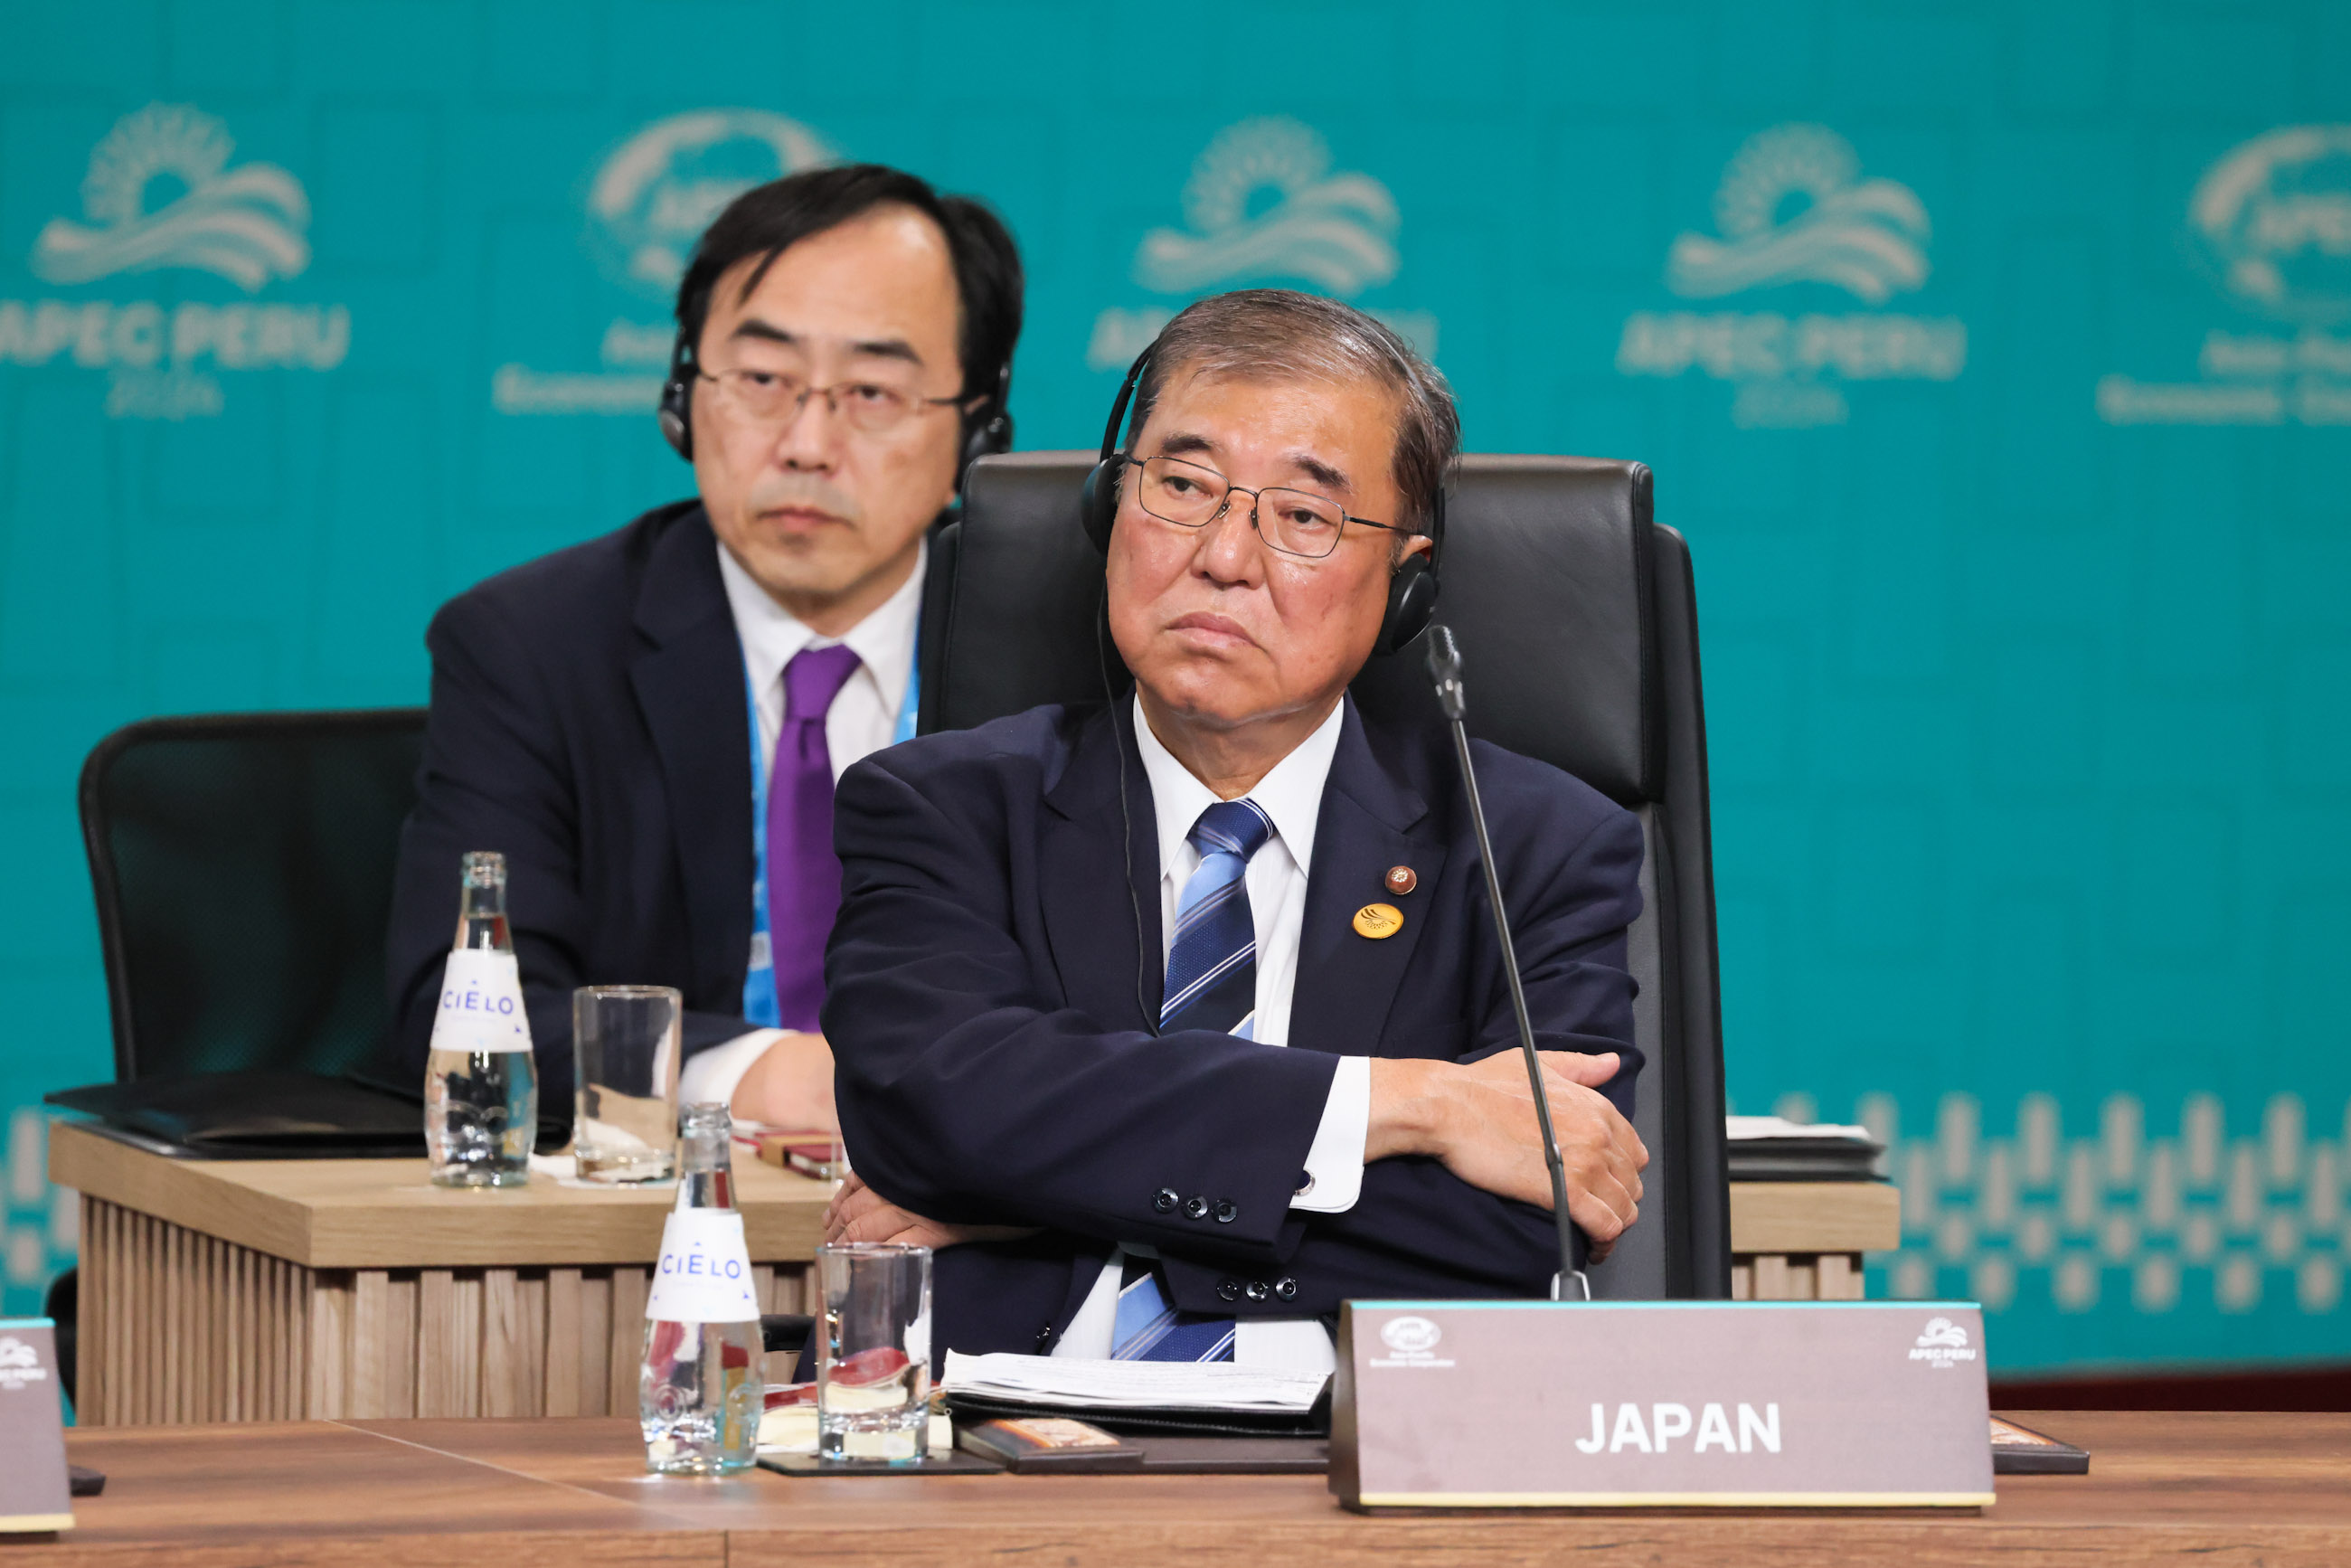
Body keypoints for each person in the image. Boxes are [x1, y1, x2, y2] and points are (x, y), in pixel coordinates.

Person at [821, 289, 1649, 1370]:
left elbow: (1524, 1217)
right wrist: (1410, 1104)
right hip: (974, 1455)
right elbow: (934, 1113)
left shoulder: (1532, 847)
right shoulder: (937, 806)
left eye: (1302, 517)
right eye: (1180, 486)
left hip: (1353, 1461)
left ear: (1404, 585)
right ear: (1104, 511)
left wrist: (1046, 1201)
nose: (1222, 556)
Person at [386, 164, 1024, 1128]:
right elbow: (471, 1018)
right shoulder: (534, 647)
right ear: (683, 396)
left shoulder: (1069, 654)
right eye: (763, 380)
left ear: (977, 433)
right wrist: (762, 1076)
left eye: (873, 392)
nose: (807, 443)